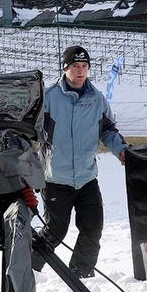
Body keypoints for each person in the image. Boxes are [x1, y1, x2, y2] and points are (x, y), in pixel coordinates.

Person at [35, 45, 127, 278]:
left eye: (84, 66)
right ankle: (28, 266)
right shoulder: (48, 97)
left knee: (93, 228)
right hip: (56, 178)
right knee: (55, 231)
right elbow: (31, 132)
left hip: (87, 178)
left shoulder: (97, 99)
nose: (80, 71)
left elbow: (108, 130)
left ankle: (81, 273)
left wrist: (121, 151)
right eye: (75, 66)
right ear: (65, 68)